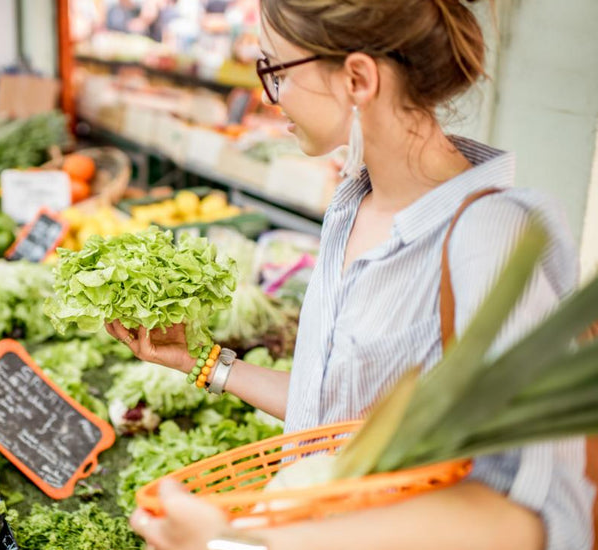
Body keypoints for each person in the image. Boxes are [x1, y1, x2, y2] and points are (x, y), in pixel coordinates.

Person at [105, 0, 595, 548]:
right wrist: (203, 362)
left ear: (357, 77)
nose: (268, 96)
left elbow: (530, 515)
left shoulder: (495, 237)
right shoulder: (352, 204)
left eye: (274, 71)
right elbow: (334, 418)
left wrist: (234, 542)